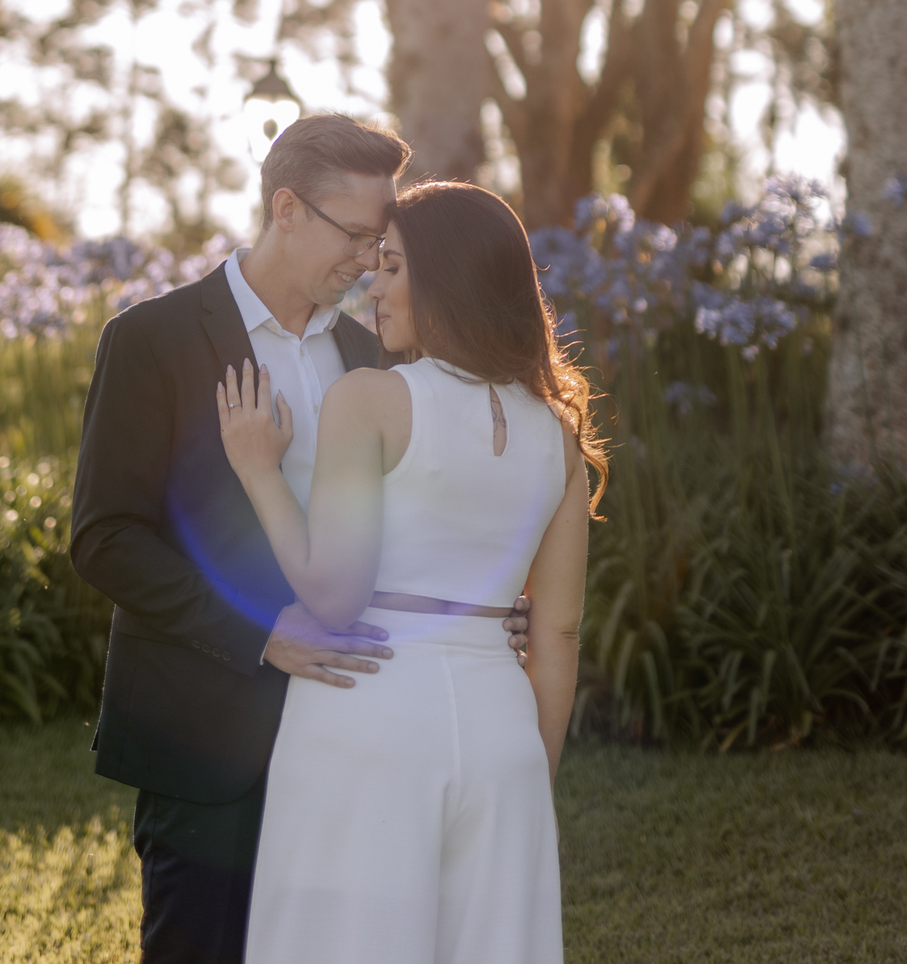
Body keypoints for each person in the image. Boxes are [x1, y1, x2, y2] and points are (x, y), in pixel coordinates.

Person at [70, 115, 531, 964]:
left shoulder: (376, 357)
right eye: (355, 235)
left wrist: (487, 604)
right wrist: (262, 635)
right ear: (286, 209)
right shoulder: (152, 338)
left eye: (378, 241)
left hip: (359, 738)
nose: (366, 260)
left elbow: (414, 520)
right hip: (203, 739)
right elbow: (104, 538)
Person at [217, 179, 608, 964]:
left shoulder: (370, 400)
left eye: (393, 267)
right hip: (503, 731)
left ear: (448, 280)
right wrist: (532, 769)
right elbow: (557, 631)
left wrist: (258, 469)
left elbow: (333, 596)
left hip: (366, 714)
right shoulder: (558, 435)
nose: (375, 283)